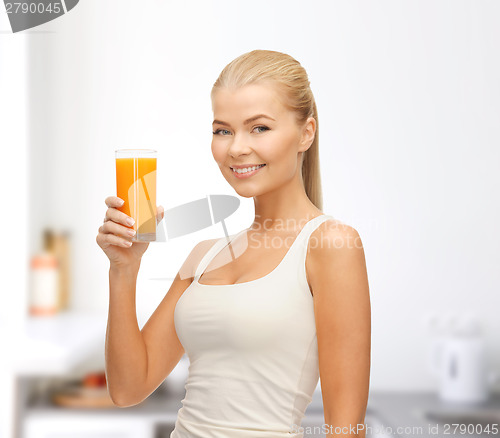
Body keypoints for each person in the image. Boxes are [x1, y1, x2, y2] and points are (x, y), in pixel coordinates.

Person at [96, 49, 371, 438]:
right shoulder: (204, 255)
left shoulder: (331, 245)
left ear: (306, 133)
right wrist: (123, 269)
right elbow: (128, 388)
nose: (236, 148)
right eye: (222, 130)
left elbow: (346, 429)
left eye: (259, 128)